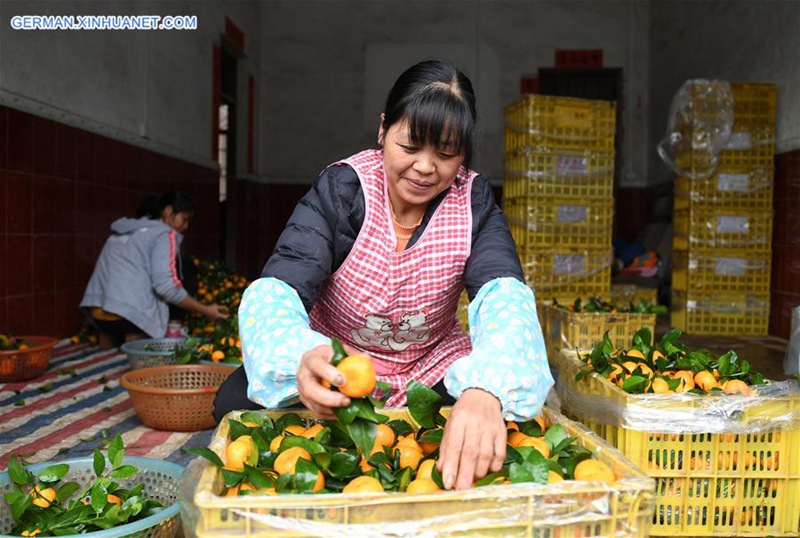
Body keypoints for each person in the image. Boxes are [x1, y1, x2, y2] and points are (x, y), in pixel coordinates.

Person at [214, 60, 553, 490]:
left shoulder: (474, 200)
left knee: (500, 419)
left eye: (446, 153)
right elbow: (281, 286)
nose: (426, 167)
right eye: (410, 146)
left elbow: (504, 294)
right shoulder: (343, 190)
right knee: (234, 402)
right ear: (382, 131)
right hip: (340, 365)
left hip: (430, 368)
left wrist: (486, 389)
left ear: (463, 155)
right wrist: (301, 360)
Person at [80, 191, 228, 348]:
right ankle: (172, 329)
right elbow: (165, 287)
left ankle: (108, 347)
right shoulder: (164, 234)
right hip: (128, 318)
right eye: (184, 219)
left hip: (97, 315)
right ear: (168, 211)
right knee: (185, 270)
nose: (186, 226)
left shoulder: (124, 229)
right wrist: (205, 310)